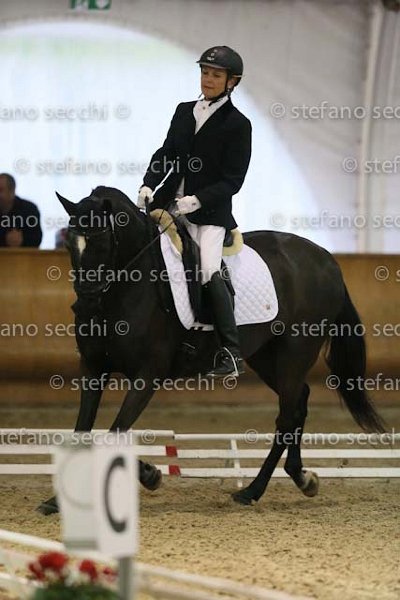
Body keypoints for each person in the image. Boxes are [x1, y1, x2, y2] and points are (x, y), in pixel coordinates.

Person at [137, 46, 252, 378]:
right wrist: (148, 183)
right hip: (168, 204)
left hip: (209, 214)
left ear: (232, 82)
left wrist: (198, 200)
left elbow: (233, 180)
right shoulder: (184, 111)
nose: (208, 79)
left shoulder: (238, 124)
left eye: (216, 75)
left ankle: (231, 352)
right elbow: (167, 152)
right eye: (204, 72)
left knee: (208, 269)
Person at [0, 174, 42, 247]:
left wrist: (22, 240)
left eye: (0, 190)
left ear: (12, 191)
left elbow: (36, 238)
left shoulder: (29, 209)